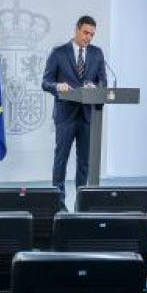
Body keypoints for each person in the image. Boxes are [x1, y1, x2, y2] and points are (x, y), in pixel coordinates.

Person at [41, 15, 107, 201]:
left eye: (92, 35)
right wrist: (57, 86)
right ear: (77, 29)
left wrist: (97, 88)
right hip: (65, 115)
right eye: (85, 32)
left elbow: (103, 80)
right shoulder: (59, 52)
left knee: (84, 162)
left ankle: (82, 200)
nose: (88, 37)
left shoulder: (97, 53)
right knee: (61, 159)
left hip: (88, 116)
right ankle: (58, 202)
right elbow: (45, 82)